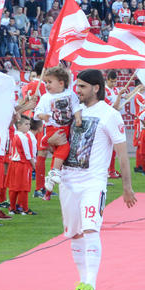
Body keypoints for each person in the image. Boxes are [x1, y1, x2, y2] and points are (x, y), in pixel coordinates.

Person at [46, 68, 136, 290]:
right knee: (74, 234)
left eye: (82, 87)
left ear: (96, 88)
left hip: (93, 182)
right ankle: (81, 281)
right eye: (76, 86)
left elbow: (122, 154)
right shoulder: (70, 112)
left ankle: (91, 283)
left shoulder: (109, 115)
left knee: (91, 228)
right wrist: (49, 142)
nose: (78, 91)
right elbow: (53, 144)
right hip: (67, 181)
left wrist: (127, 187)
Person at [34, 65, 82, 199]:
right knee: (64, 147)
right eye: (46, 82)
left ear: (61, 83)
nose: (47, 85)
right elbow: (37, 111)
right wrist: (42, 116)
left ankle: (48, 188)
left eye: (50, 82)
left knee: (59, 156)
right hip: (53, 129)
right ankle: (54, 171)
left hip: (66, 128)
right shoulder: (45, 97)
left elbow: (76, 107)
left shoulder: (70, 94)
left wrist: (78, 118)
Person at [8, 116, 39, 215]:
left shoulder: (14, 135)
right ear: (19, 125)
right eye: (26, 124)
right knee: (24, 187)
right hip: (22, 163)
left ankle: (12, 208)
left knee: (14, 187)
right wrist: (34, 166)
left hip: (13, 162)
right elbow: (27, 154)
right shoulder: (23, 137)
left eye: (29, 124)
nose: (28, 127)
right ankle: (24, 209)